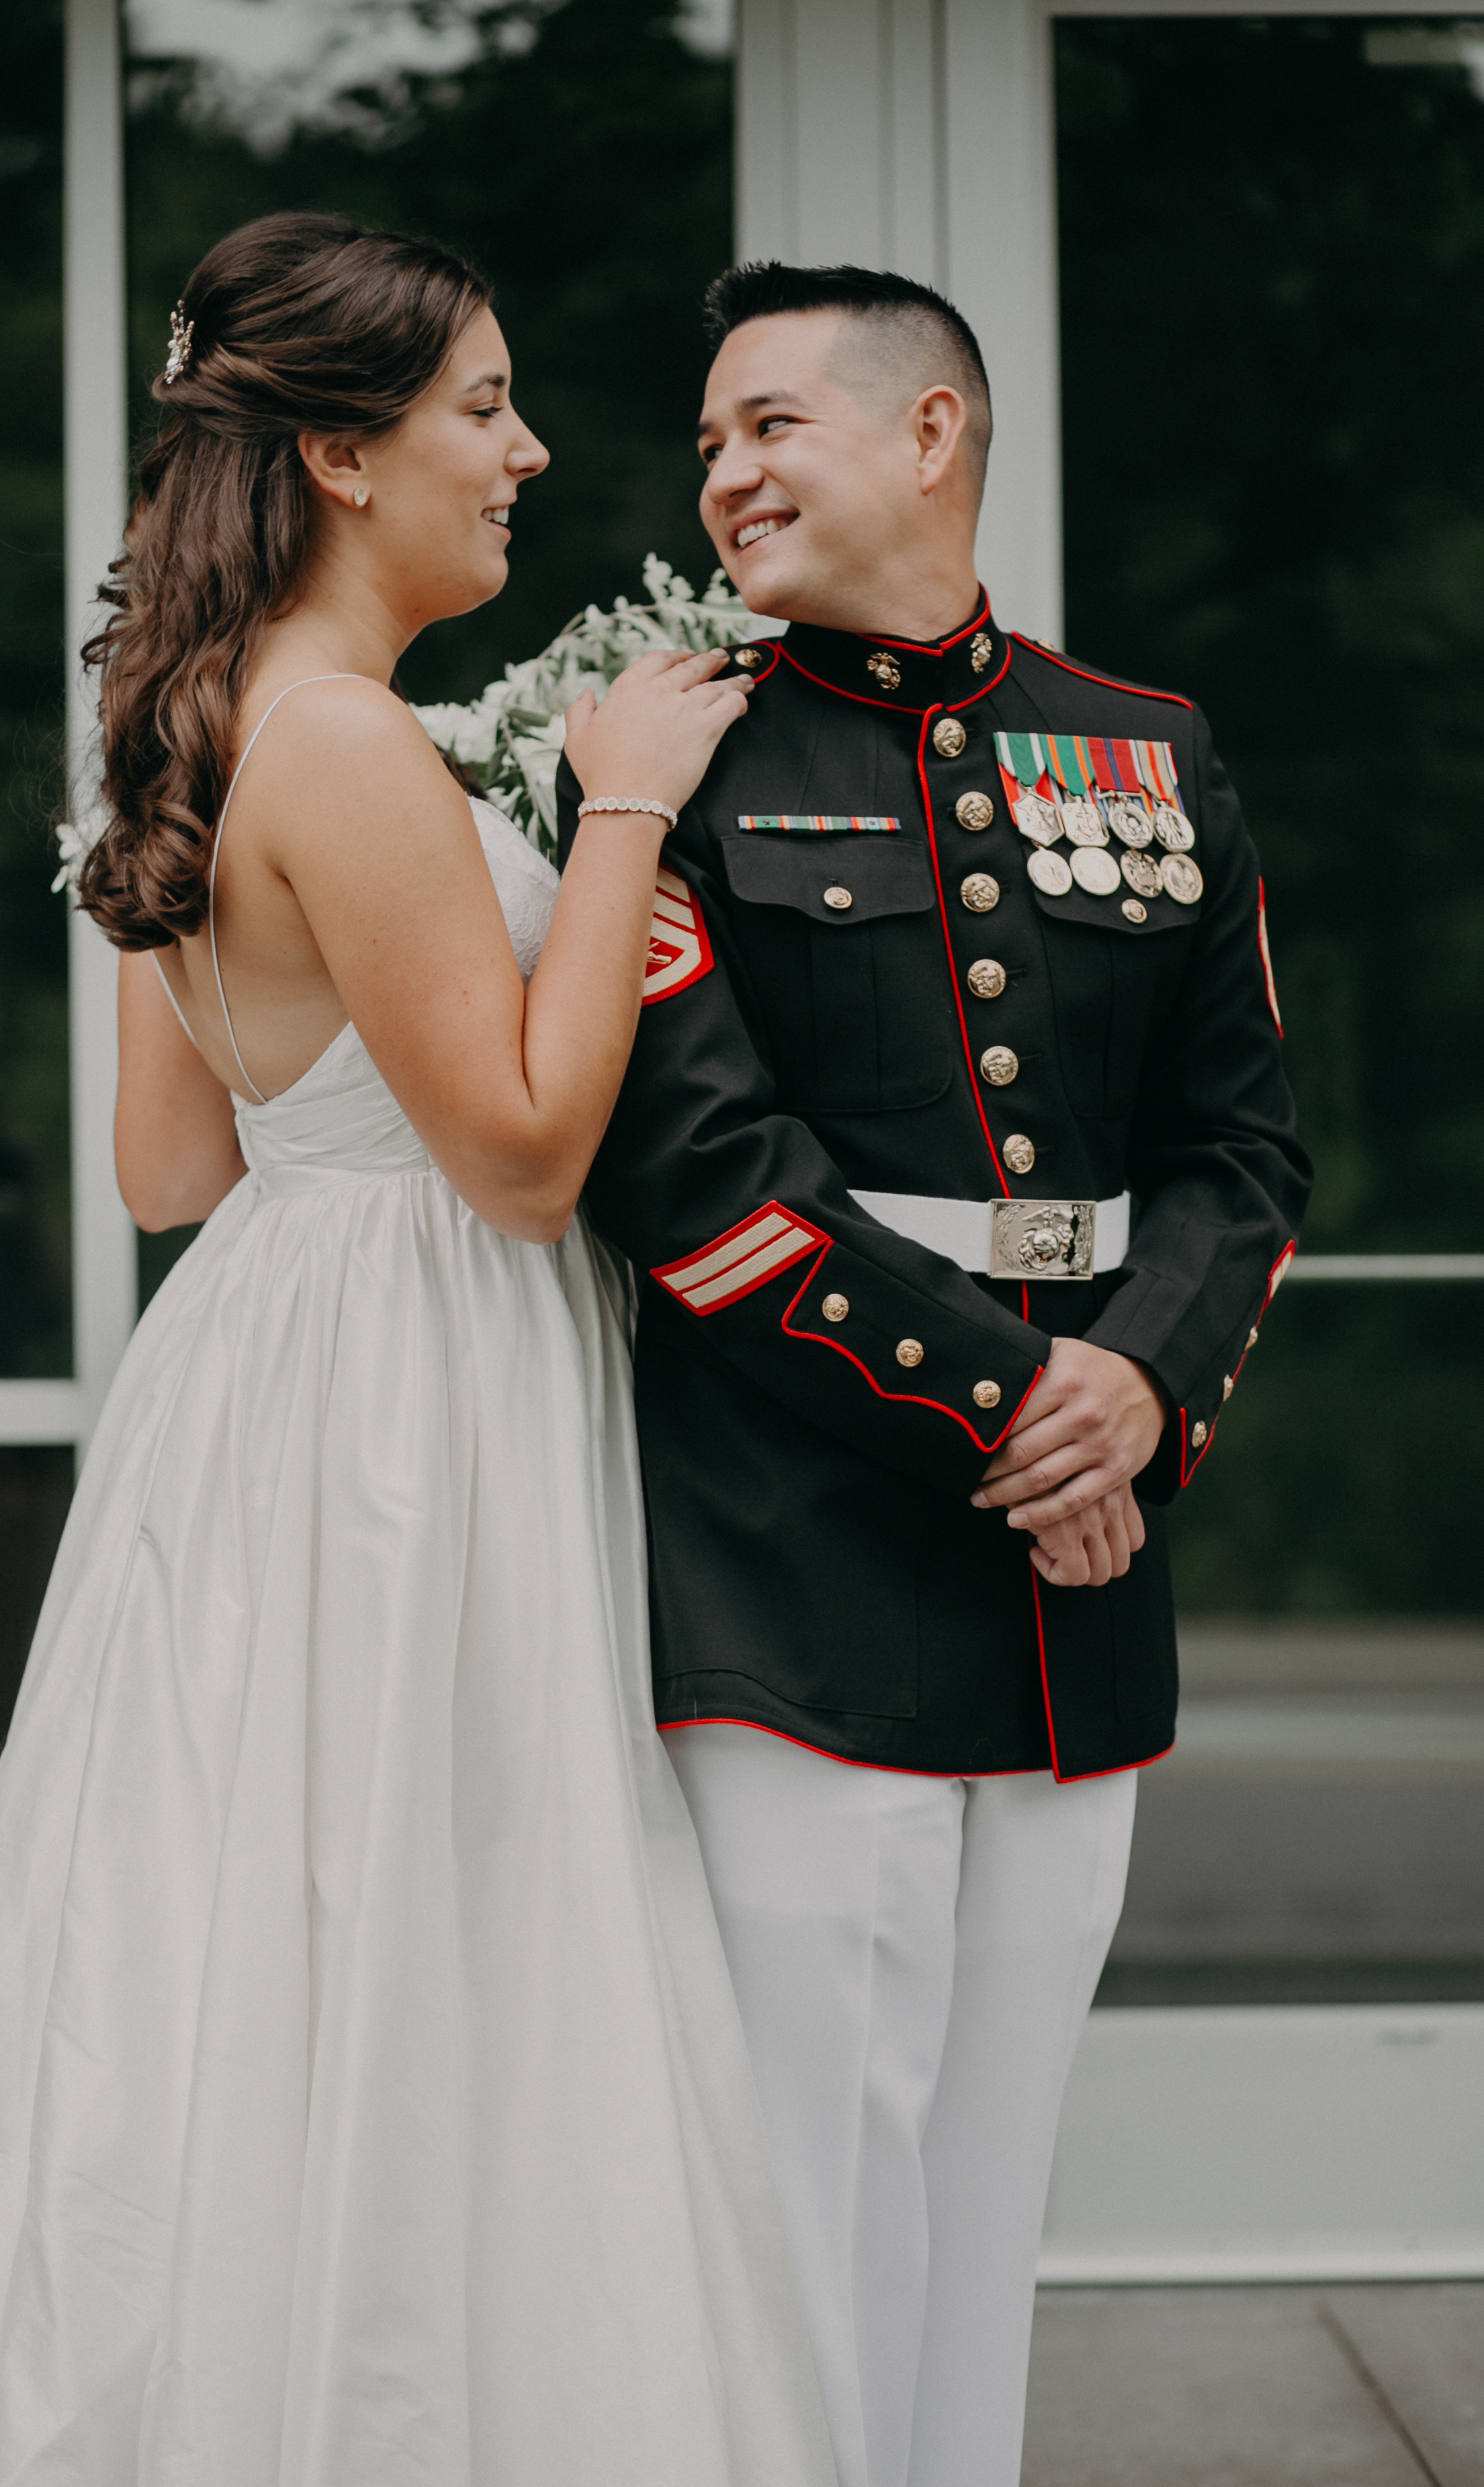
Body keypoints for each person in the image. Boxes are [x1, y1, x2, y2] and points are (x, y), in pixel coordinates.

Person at [0, 214, 838, 2487]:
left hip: (267, 1370)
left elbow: (173, 1168)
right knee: (431, 1895)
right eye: (483, 407)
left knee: (241, 1914)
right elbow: (510, 1156)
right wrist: (624, 814)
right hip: (411, 1388)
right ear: (346, 454)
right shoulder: (347, 747)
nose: (528, 451)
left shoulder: (177, 726)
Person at [558, 261, 1312, 2487]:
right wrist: (1023, 1407)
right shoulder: (675, 750)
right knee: (812, 2140)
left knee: (992, 2164)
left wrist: (1142, 1395)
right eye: (706, 442)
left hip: (1080, 1553)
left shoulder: (1142, 749)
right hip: (794, 1539)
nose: (723, 472)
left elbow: (1238, 1152)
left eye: (768, 422)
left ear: (930, 433)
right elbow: (691, 1173)